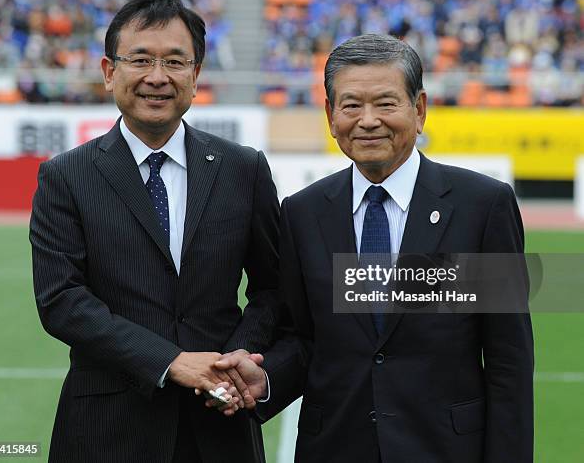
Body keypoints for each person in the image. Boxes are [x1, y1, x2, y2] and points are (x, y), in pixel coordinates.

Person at [215, 34, 534, 462]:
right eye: (351, 105)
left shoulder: (481, 207)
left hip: (445, 449)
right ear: (330, 115)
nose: (367, 121)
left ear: (419, 110)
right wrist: (265, 379)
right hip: (335, 448)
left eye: (385, 104)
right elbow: (303, 338)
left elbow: (508, 360)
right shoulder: (303, 213)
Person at [29, 0, 280, 463]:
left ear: (196, 74)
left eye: (174, 62)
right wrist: (169, 362)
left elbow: (274, 288)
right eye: (141, 60)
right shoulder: (65, 175)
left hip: (220, 426)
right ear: (109, 72)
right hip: (106, 429)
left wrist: (236, 359)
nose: (157, 78)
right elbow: (60, 300)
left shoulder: (243, 168)